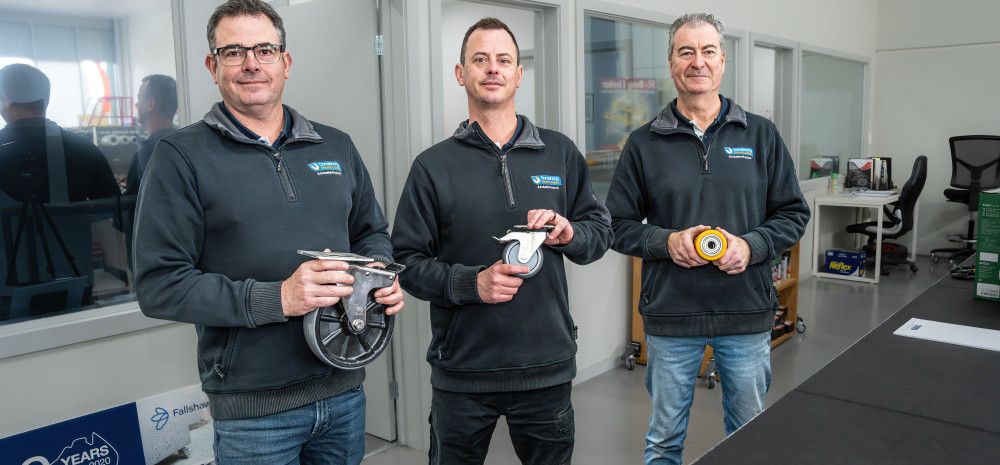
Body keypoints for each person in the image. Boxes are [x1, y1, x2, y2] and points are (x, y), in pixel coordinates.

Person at [133, 1, 403, 463]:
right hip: (254, 414)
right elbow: (160, 286)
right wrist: (278, 297)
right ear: (212, 65)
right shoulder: (180, 157)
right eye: (234, 51)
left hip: (344, 391)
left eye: (264, 49)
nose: (252, 64)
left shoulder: (336, 145)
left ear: (286, 61)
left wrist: (376, 276)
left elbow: (372, 233)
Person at [392, 17, 612, 465]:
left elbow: (599, 233)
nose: (493, 69)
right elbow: (406, 262)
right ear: (461, 73)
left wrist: (571, 234)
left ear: (518, 74)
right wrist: (472, 284)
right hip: (463, 374)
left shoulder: (560, 152)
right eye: (480, 59)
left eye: (503, 60)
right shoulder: (432, 166)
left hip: (545, 368)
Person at [604, 13, 809, 465]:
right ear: (671, 64)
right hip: (672, 315)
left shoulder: (761, 135)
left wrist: (751, 246)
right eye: (686, 51)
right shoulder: (643, 143)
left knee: (749, 437)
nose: (698, 61)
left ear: (723, 61)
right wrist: (665, 241)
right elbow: (615, 225)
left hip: (746, 313)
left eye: (708, 50)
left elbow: (793, 213)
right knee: (664, 442)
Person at [0, 63, 118, 204]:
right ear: (45, 101)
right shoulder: (84, 148)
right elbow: (114, 209)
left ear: (5, 100)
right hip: (73, 227)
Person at [125, 74, 178, 196]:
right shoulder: (184, 141)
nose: (136, 104)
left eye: (139, 99)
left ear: (150, 104)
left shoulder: (145, 155)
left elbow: (132, 208)